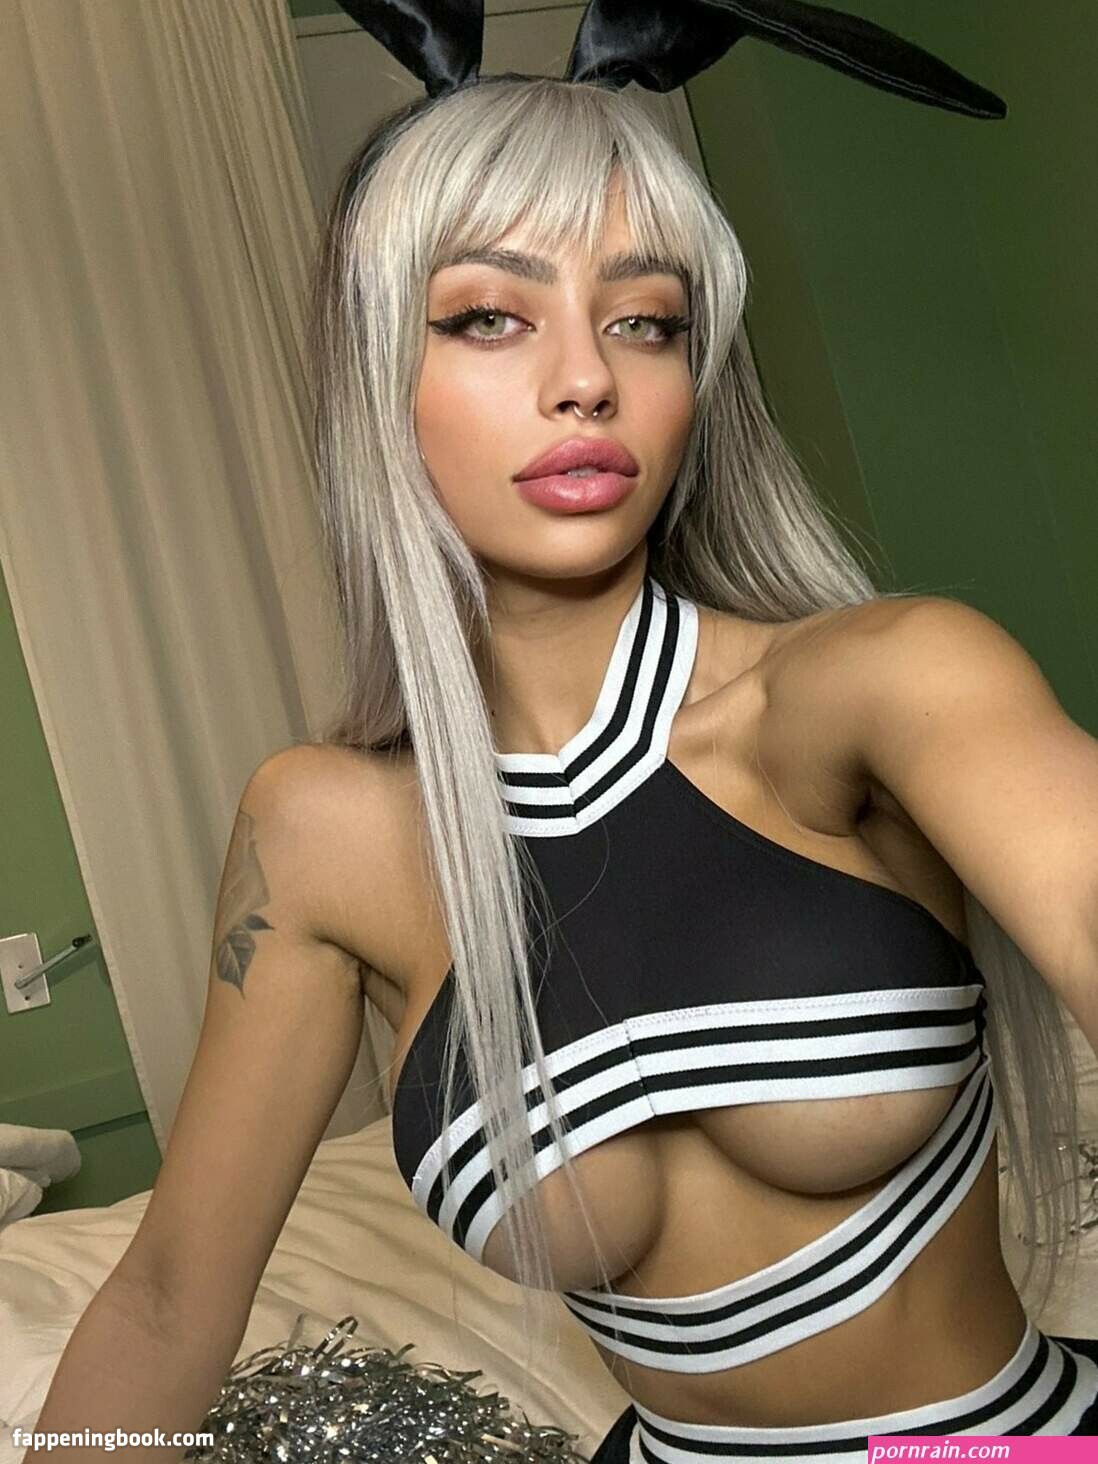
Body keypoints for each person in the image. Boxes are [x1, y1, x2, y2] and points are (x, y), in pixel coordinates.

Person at [25, 69, 1098, 1464]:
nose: (587, 379)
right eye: (489, 316)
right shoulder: (323, 834)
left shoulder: (877, 687)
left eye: (644, 321)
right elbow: (168, 1304)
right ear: (375, 377)